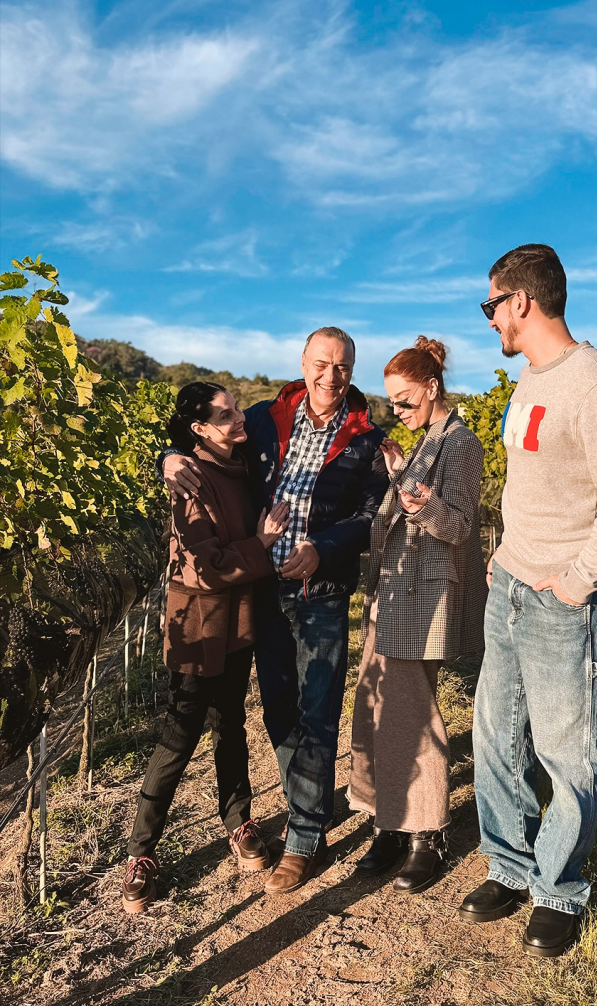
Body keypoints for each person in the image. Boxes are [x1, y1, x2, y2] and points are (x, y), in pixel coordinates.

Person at [460, 245, 597, 957]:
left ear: (522, 302)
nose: (489, 323)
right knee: (495, 736)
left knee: (568, 753)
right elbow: (534, 485)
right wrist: (504, 552)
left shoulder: (596, 384)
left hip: (561, 600)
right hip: (510, 583)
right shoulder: (530, 382)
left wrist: (577, 580)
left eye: (491, 307)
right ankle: (510, 867)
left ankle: (559, 888)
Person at [161, 328, 388, 894]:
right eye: (320, 363)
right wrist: (168, 456)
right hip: (263, 592)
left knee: (317, 707)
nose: (329, 376)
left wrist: (323, 549)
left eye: (341, 366)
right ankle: (307, 803)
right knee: (279, 710)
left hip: (323, 592)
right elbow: (200, 439)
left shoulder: (366, 439)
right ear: (303, 363)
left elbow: (369, 514)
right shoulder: (264, 418)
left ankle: (305, 836)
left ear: (352, 369)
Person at [122, 382, 290, 914]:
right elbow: (204, 566)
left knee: (231, 723)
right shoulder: (190, 477)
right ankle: (141, 854)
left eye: (239, 408)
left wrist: (165, 452)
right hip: (196, 623)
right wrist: (261, 544)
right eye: (226, 414)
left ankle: (238, 824)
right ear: (198, 429)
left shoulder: (242, 463)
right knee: (179, 736)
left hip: (237, 622)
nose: (240, 419)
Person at [348, 337, 486, 893]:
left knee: (409, 711)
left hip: (425, 595)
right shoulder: (428, 439)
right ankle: (388, 821)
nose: (397, 411)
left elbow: (458, 525)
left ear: (432, 388)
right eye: (392, 403)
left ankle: (427, 833)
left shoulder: (462, 443)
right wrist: (401, 476)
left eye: (405, 401)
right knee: (375, 703)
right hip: (395, 592)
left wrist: (416, 497)